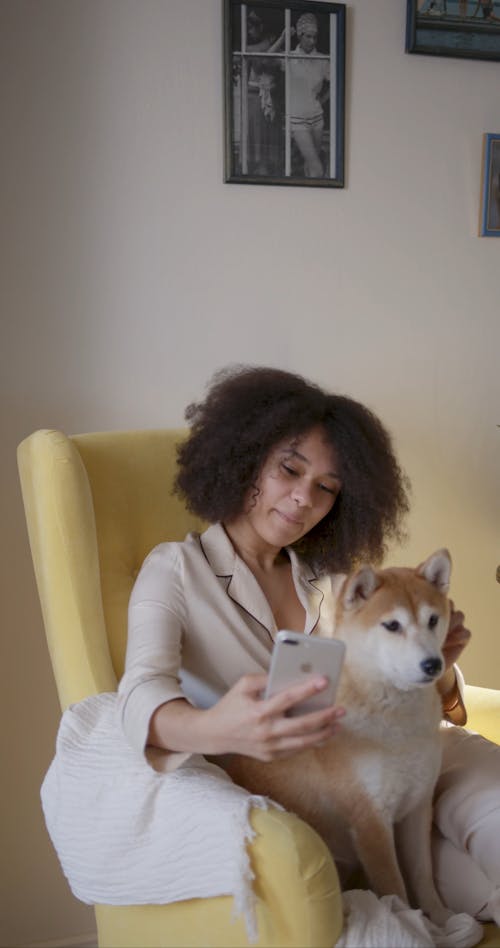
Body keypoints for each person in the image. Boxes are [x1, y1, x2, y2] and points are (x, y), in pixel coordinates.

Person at [119, 364, 500, 928]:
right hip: (313, 793)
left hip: (398, 755)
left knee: (484, 788)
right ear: (245, 460)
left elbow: (415, 689)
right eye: (289, 470)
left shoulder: (329, 580)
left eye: (326, 487)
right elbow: (138, 693)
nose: (304, 498)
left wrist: (439, 668)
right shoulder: (176, 569)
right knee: (476, 891)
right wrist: (220, 727)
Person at [288, 13, 330, 178]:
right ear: (299, 35)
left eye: (315, 37)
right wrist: (284, 38)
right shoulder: (290, 57)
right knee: (317, 170)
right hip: (298, 120)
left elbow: (337, 81)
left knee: (310, 167)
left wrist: (324, 98)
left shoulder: (322, 59)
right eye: (308, 37)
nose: (312, 41)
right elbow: (264, 62)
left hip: (317, 118)